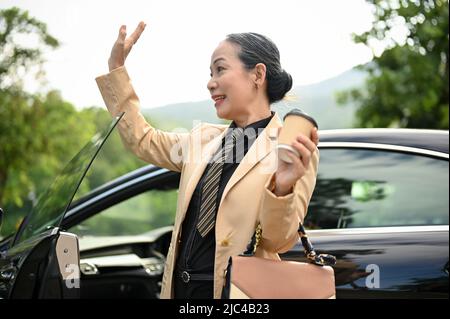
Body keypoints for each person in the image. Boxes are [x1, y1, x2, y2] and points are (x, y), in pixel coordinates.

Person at [96, 22, 320, 299]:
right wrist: (116, 67)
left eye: (221, 69)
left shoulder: (288, 148)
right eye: (210, 73)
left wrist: (282, 189)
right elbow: (142, 139)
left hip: (235, 295)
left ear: (257, 74)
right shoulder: (202, 139)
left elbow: (279, 241)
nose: (210, 82)